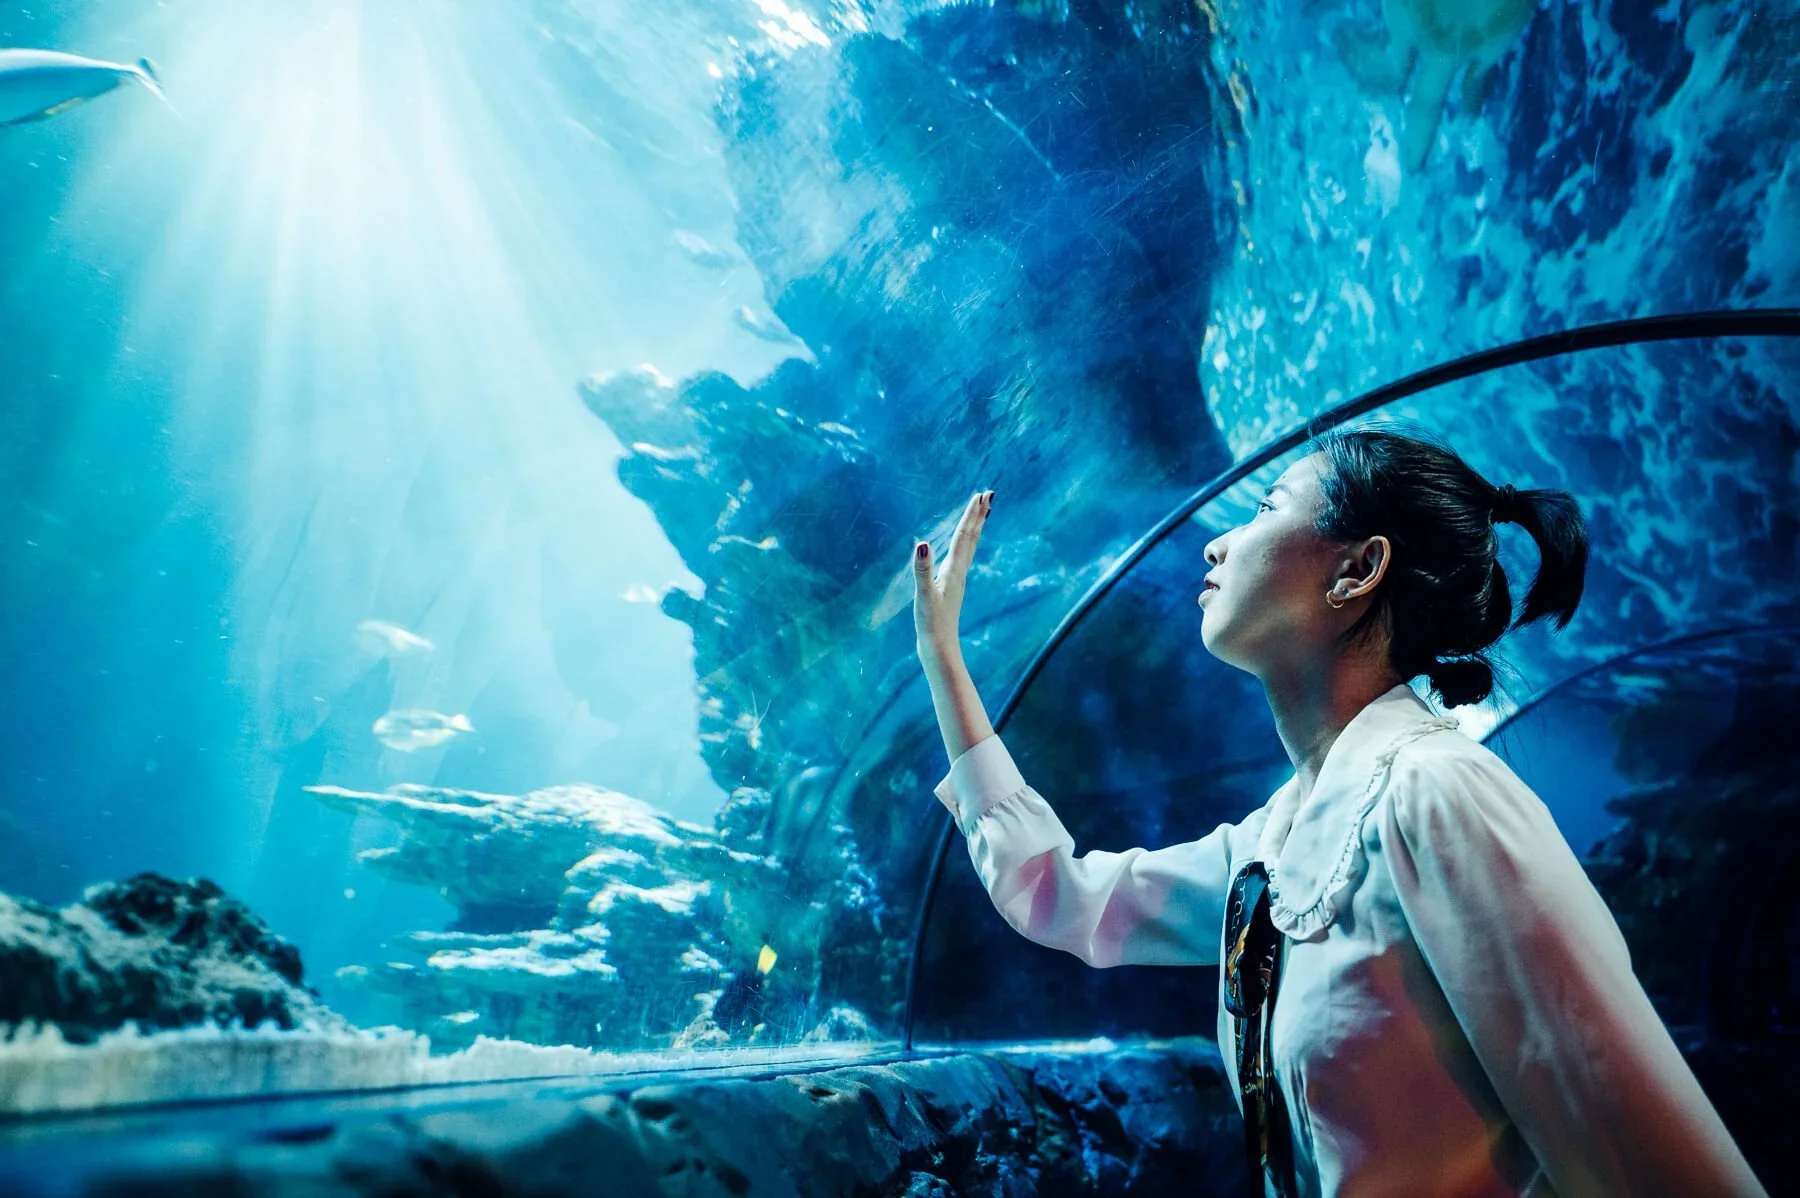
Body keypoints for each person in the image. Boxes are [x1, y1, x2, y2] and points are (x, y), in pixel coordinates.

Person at [909, 426, 1766, 1197]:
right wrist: (944, 661)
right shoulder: (1277, 840)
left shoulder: (1436, 794)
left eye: (1266, 509)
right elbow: (1068, 899)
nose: (1218, 541)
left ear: (1357, 570)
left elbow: (1640, 1150)